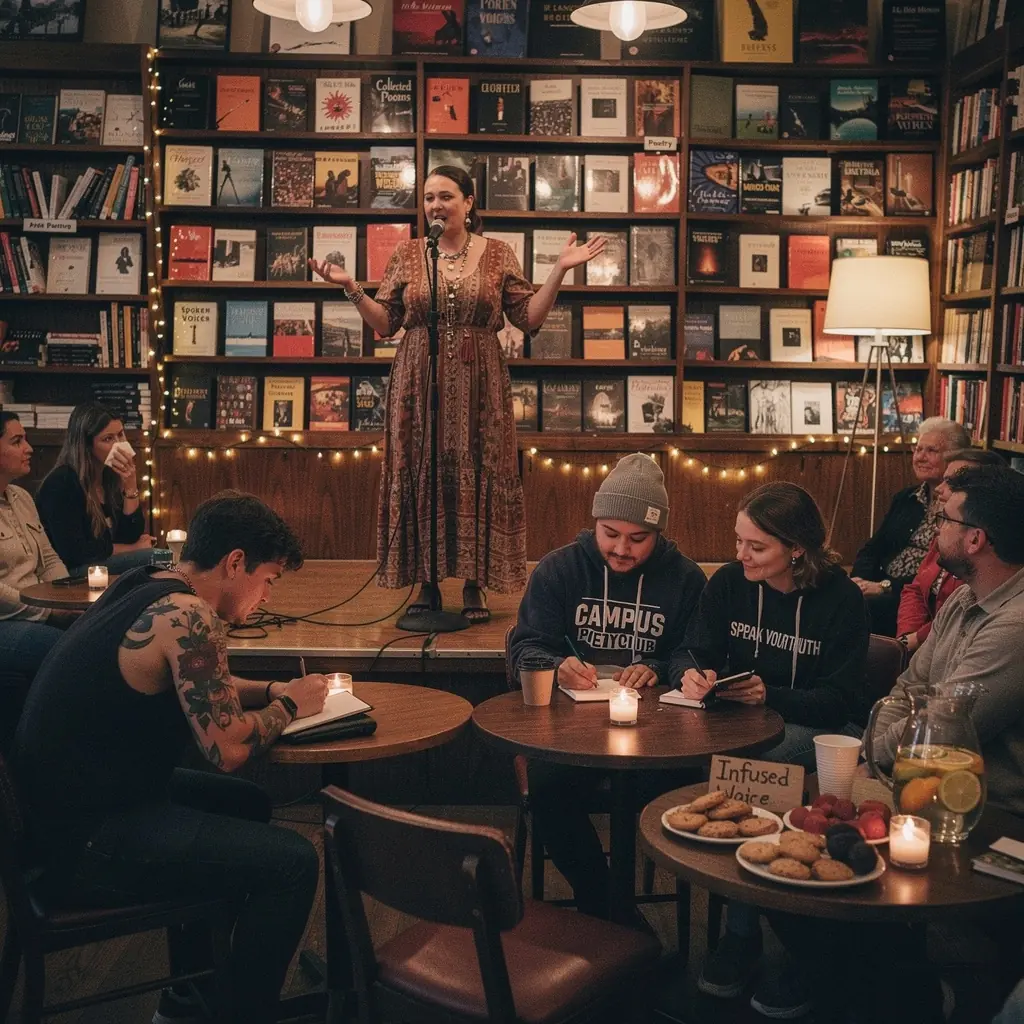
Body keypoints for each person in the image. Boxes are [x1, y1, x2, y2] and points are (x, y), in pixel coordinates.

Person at [11, 491, 329, 1024]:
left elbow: (200, 680)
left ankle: (191, 997)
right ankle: (242, 1013)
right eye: (269, 579)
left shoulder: (148, 583)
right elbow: (227, 748)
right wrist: (293, 705)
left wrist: (273, 689)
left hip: (62, 814)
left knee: (247, 804)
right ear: (235, 563)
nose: (268, 596)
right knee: (294, 863)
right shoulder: (188, 615)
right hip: (83, 845)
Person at [310, 164, 606, 622]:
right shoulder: (409, 253)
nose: (436, 205)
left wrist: (559, 271)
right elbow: (386, 322)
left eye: (446, 196)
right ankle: (425, 581)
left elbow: (528, 318)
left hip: (481, 383)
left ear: (468, 203)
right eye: (429, 197)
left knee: (481, 465)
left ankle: (475, 583)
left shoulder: (498, 253)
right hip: (418, 379)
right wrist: (351, 287)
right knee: (422, 467)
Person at [668, 482, 869, 1012]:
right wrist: (691, 674)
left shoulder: (841, 598)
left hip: (822, 730)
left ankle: (744, 936)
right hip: (740, 725)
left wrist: (770, 696)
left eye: (756, 546)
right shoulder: (729, 583)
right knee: (730, 767)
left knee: (745, 776)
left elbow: (842, 701)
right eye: (739, 541)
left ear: (796, 548)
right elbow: (692, 649)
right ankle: (757, 932)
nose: (741, 555)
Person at [509, 454, 706, 919]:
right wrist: (556, 665)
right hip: (568, 734)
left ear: (658, 534)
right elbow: (524, 648)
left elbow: (693, 653)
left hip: (658, 736)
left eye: (638, 539)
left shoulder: (685, 579)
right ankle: (610, 911)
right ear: (595, 522)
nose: (621, 549)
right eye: (610, 533)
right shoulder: (559, 570)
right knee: (547, 789)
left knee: (687, 788)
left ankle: (614, 921)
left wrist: (657, 666)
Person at [868, 464, 1024, 816]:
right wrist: (874, 757)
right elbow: (907, 689)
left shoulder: (1015, 626)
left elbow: (943, 724)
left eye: (944, 520)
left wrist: (870, 756)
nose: (936, 529)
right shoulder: (964, 596)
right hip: (923, 786)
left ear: (975, 540)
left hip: (990, 815)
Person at [850, 417, 971, 636]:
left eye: (931, 450)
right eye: (918, 449)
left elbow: (937, 575)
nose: (920, 457)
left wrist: (884, 587)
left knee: (858, 611)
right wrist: (859, 582)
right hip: (877, 585)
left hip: (914, 597)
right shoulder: (906, 498)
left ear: (955, 458)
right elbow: (873, 548)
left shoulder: (960, 511)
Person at [896, 448, 1005, 654]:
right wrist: (906, 636)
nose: (939, 488)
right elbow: (916, 589)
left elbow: (964, 612)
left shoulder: (985, 550)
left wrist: (915, 640)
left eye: (953, 483)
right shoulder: (947, 530)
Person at [35, 401, 163, 575]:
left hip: (104, 563)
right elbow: (77, 551)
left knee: (163, 558)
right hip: (74, 571)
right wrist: (134, 549)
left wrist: (130, 485)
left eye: (121, 434)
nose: (119, 445)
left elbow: (130, 535)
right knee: (158, 557)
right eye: (108, 439)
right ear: (86, 446)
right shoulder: (62, 482)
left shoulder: (110, 476)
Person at [0, 411, 73, 680]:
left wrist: (71, 601)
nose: (29, 448)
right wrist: (50, 613)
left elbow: (49, 560)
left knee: (102, 631)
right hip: (7, 619)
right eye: (17, 441)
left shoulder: (21, 497)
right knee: (70, 650)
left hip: (39, 608)